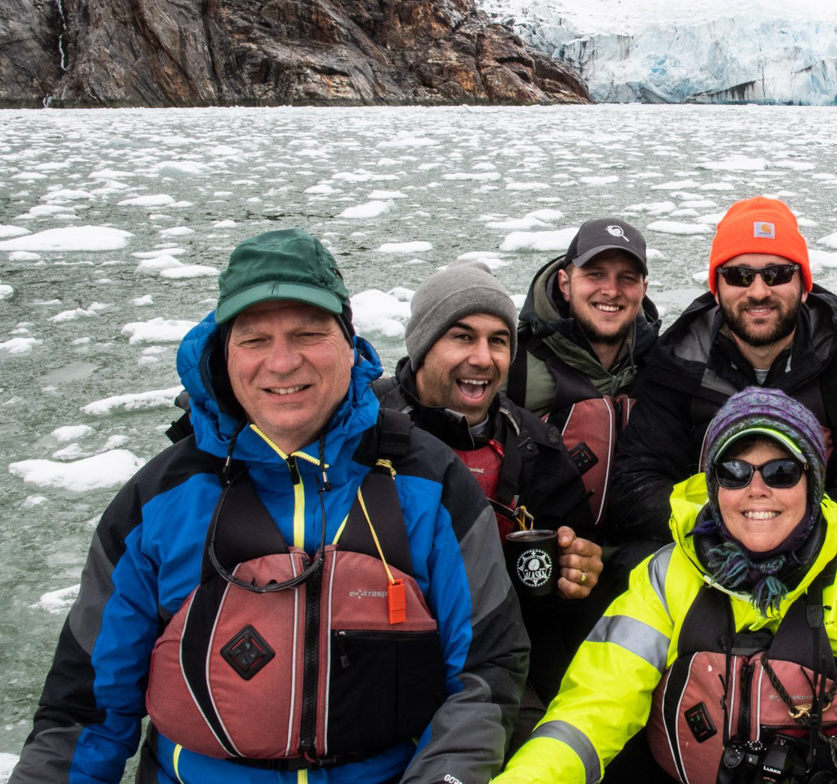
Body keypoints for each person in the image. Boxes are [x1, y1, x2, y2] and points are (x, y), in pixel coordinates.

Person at [13, 229, 526, 784]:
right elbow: (84, 709)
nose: (282, 363)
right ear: (223, 352)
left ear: (349, 343)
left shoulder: (429, 483)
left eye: (308, 333)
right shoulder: (160, 500)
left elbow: (485, 671)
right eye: (255, 340)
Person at [494, 388, 837, 784]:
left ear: (813, 483)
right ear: (714, 487)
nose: (757, 489)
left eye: (782, 471)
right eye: (735, 471)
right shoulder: (666, 575)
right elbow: (592, 707)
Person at [371, 260, 602, 736]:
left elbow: (556, 582)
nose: (483, 357)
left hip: (500, 650)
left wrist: (577, 573)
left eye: (498, 340)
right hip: (384, 645)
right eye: (462, 336)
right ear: (422, 345)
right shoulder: (364, 429)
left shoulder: (534, 445)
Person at [611, 196, 837, 546]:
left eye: (777, 274)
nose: (759, 291)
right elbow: (637, 482)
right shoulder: (678, 363)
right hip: (702, 553)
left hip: (817, 558)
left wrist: (789, 540)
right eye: (739, 275)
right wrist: (720, 532)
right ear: (717, 289)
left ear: (804, 286)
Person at [509, 216, 659, 536]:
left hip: (637, 559)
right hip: (543, 556)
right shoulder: (513, 362)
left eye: (627, 278)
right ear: (565, 284)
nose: (611, 290)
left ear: (643, 289)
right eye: (595, 275)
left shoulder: (664, 365)